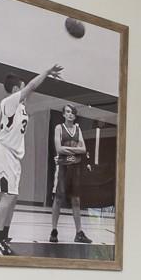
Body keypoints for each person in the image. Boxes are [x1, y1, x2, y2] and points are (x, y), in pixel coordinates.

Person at [0, 63, 63, 256]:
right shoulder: (9, 101)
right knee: (7, 196)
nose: (26, 90)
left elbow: (30, 91)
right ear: (15, 90)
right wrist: (46, 72)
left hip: (13, 156)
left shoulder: (21, 107)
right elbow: (32, 86)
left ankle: (3, 236)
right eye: (22, 87)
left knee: (13, 198)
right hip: (4, 152)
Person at [47, 104, 91, 243]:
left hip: (75, 167)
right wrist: (74, 149)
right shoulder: (59, 128)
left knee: (76, 199)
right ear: (64, 114)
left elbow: (83, 149)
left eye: (72, 112)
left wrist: (70, 150)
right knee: (58, 198)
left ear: (75, 115)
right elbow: (59, 149)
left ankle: (79, 233)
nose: (70, 114)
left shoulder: (78, 129)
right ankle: (54, 230)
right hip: (62, 167)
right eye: (67, 112)